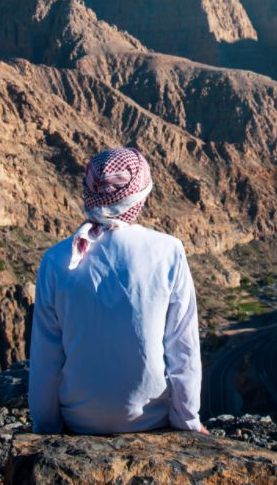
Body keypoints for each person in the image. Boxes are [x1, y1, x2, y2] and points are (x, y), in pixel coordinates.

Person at [27, 147, 205, 434]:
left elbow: (46, 358)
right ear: (140, 195)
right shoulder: (168, 250)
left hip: (78, 420)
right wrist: (188, 421)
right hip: (150, 419)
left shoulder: (56, 259)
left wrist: (45, 426)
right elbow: (182, 347)